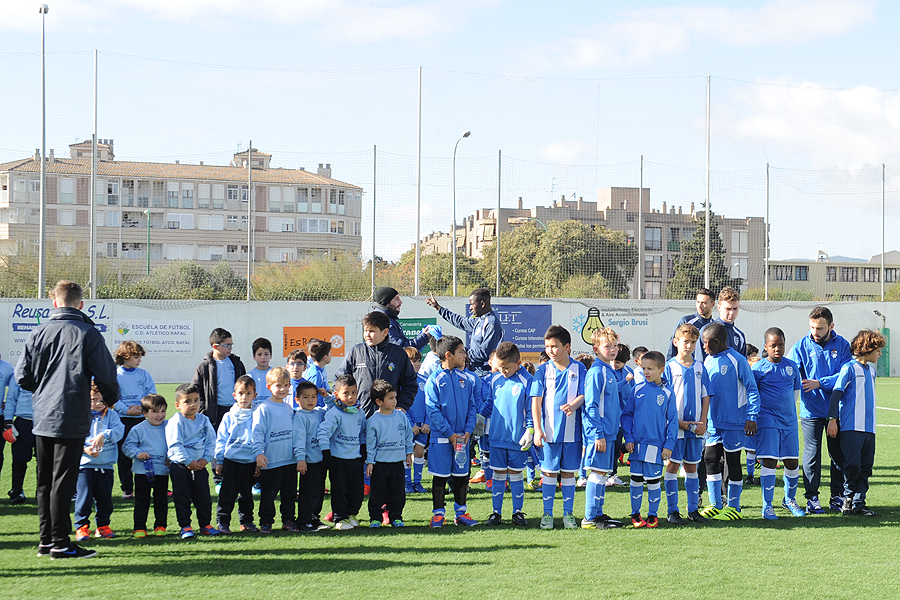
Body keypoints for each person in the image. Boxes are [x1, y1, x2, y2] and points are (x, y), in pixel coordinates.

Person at [15, 280, 119, 560]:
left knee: (45, 482)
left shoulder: (38, 332)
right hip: (71, 415)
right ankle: (60, 543)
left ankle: (46, 541)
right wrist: (111, 398)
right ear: (81, 304)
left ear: (54, 302)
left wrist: (44, 389)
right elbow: (106, 375)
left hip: (42, 415)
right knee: (62, 481)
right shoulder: (88, 333)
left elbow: (22, 376)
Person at [787, 306, 853, 514]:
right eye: (812, 327)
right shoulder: (800, 346)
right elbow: (790, 371)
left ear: (831, 326)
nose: (815, 332)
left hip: (837, 410)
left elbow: (845, 374)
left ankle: (837, 495)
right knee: (812, 454)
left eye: (820, 328)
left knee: (838, 454)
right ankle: (812, 498)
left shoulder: (843, 345)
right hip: (811, 410)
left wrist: (820, 383)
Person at [700, 323, 759, 521]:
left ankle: (734, 506)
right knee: (710, 459)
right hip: (712, 422)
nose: (703, 347)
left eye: (706, 343)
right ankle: (716, 504)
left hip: (734, 421)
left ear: (716, 342)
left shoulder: (737, 360)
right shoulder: (708, 360)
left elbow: (752, 389)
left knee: (732, 461)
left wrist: (752, 417)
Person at [531, 325, 586, 530]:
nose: (550, 351)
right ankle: (547, 514)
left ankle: (568, 514)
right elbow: (536, 401)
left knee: (569, 474)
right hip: (549, 433)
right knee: (549, 473)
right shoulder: (542, 370)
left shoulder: (579, 369)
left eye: (554, 346)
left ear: (567, 347)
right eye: (547, 346)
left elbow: (583, 394)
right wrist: (538, 429)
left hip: (572, 434)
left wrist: (573, 405)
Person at [828, 329, 885, 517]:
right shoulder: (849, 369)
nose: (880, 354)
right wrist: (832, 419)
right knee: (852, 464)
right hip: (852, 427)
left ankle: (860, 503)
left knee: (866, 466)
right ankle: (847, 498)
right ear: (868, 349)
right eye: (878, 350)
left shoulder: (872, 372)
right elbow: (836, 394)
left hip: (869, 428)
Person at [425, 335, 478, 527]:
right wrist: (449, 434)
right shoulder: (434, 380)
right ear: (448, 355)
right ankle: (438, 514)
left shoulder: (465, 379)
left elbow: (472, 406)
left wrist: (468, 430)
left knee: (461, 476)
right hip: (442, 439)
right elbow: (433, 411)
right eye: (461, 352)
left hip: (462, 438)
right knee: (440, 476)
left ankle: (461, 513)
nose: (465, 355)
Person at [752, 328, 805, 520]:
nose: (777, 349)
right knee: (770, 461)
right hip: (767, 421)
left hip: (789, 421)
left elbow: (795, 392)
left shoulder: (791, 366)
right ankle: (767, 505)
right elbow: (753, 394)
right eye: (773, 345)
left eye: (781, 345)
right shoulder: (758, 369)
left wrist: (786, 410)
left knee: (792, 461)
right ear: (765, 346)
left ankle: (789, 499)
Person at [622, 351, 678, 528]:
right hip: (636, 445)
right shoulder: (637, 389)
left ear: (661, 369)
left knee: (653, 481)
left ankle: (653, 514)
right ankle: (635, 513)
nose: (646, 372)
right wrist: (628, 437)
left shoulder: (667, 392)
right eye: (643, 368)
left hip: (656, 445)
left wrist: (669, 445)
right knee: (636, 480)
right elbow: (627, 416)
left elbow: (673, 421)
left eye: (650, 369)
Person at [480, 342, 533, 527]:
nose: (502, 371)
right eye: (500, 366)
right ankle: (496, 512)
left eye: (506, 368)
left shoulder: (527, 380)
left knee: (516, 474)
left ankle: (517, 512)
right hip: (496, 437)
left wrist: (530, 430)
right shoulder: (495, 379)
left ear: (518, 363)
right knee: (498, 474)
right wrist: (481, 417)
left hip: (517, 439)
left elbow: (531, 409)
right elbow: (490, 403)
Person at [663, 323, 711, 525]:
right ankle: (672, 511)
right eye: (685, 341)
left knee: (692, 467)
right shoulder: (668, 367)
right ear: (676, 342)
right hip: (675, 428)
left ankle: (693, 509)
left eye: (693, 342)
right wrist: (678, 423)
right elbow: (664, 399)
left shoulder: (700, 367)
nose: (689, 346)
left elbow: (706, 396)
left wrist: (703, 421)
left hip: (695, 428)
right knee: (673, 466)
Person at [580, 328, 625, 529]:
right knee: (597, 473)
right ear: (596, 349)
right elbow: (591, 405)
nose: (613, 349)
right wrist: (598, 434)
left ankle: (598, 514)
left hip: (609, 433)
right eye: (608, 346)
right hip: (600, 434)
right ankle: (589, 518)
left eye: (615, 345)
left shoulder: (609, 370)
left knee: (603, 474)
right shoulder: (596, 372)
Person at [335, 311, 418, 417]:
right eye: (365, 330)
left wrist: (402, 406)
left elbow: (410, 384)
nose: (367, 335)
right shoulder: (356, 352)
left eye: (371, 331)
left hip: (388, 416)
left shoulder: (398, 353)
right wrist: (344, 405)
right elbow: (340, 380)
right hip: (359, 416)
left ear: (385, 332)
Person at [165, 383, 221, 539]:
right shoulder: (175, 422)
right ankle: (185, 526)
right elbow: (175, 445)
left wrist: (206, 459)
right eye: (187, 401)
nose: (193, 404)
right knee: (182, 498)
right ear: (178, 405)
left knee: (203, 497)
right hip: (181, 467)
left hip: (200, 466)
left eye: (196, 400)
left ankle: (205, 525)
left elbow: (211, 441)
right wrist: (188, 461)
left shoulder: (203, 420)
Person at [74, 382, 124, 541]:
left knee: (105, 499)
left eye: (102, 400)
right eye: (93, 399)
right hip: (85, 466)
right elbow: (74, 436)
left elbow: (119, 432)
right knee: (84, 499)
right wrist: (85, 449)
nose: (97, 403)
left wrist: (105, 434)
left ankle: (103, 526)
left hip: (106, 466)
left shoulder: (112, 415)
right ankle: (82, 527)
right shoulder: (80, 415)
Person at [318, 374, 367, 530]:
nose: (351, 397)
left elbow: (363, 431)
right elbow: (323, 433)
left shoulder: (359, 412)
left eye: (354, 392)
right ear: (336, 394)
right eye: (346, 393)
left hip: (355, 458)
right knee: (340, 491)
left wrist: (363, 447)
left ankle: (351, 514)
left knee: (357, 491)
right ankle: (339, 518)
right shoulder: (334, 413)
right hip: (338, 460)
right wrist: (326, 452)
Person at [252, 367, 298, 533]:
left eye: (286, 385)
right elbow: (257, 433)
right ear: (269, 386)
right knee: (269, 494)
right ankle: (266, 522)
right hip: (271, 461)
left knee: (289, 494)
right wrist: (259, 453)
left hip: (289, 460)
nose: (283, 389)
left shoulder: (288, 408)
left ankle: (288, 520)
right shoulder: (263, 408)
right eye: (278, 385)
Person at [191, 328, 247, 457]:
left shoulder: (237, 364)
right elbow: (196, 391)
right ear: (215, 346)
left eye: (231, 344)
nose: (230, 348)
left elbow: (244, 385)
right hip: (215, 413)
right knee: (216, 446)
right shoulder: (204, 367)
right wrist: (204, 410)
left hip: (235, 410)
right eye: (227, 345)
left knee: (235, 443)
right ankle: (217, 469)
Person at [366, 380, 414, 528]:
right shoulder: (373, 420)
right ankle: (375, 518)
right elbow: (370, 444)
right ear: (379, 401)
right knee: (377, 492)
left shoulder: (401, 417)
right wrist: (370, 462)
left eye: (395, 397)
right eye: (391, 398)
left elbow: (408, 435)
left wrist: (408, 453)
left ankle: (396, 517)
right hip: (380, 464)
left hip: (397, 463)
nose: (394, 401)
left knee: (397, 492)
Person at [215, 376, 259, 534]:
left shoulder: (258, 415)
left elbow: (261, 438)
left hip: (250, 461)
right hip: (232, 461)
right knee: (227, 494)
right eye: (240, 393)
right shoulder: (229, 416)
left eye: (248, 393)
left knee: (247, 495)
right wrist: (219, 461)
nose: (244, 397)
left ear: (254, 395)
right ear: (234, 395)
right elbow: (221, 439)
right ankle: (223, 522)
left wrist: (259, 460)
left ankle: (246, 521)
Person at [426, 287, 504, 377]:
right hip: (475, 373)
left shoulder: (491, 323)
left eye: (472, 304)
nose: (470, 308)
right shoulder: (479, 321)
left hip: (485, 375)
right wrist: (439, 308)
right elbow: (460, 321)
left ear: (482, 304)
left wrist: (461, 351)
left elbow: (485, 354)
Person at [113, 340, 157, 499]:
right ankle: (127, 489)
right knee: (124, 456)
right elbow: (112, 397)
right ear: (125, 356)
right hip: (123, 421)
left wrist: (144, 408)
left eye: (140, 357)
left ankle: (153, 485)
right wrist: (126, 410)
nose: (139, 360)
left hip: (142, 420)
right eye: (136, 357)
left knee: (148, 453)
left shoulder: (143, 374)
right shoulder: (115, 375)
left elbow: (151, 394)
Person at [122, 393, 170, 538]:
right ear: (145, 413)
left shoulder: (169, 426)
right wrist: (138, 453)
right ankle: (139, 527)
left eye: (163, 411)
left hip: (162, 471)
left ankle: (160, 526)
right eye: (155, 411)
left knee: (161, 500)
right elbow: (127, 446)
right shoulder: (138, 429)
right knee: (142, 500)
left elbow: (177, 442)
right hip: (142, 472)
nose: (160, 415)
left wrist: (172, 456)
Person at [293, 380, 329, 532]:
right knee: (308, 493)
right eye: (306, 397)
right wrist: (301, 459)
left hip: (320, 461)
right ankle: (303, 521)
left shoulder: (319, 412)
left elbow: (332, 407)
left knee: (319, 492)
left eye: (314, 397)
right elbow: (299, 440)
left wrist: (326, 396)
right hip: (308, 462)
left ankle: (314, 518)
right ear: (297, 399)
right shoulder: (300, 417)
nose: (310, 400)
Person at [403, 347, 430, 494]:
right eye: (413, 361)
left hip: (422, 425)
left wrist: (427, 422)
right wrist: (410, 424)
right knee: (407, 453)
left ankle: (417, 483)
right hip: (408, 426)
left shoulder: (425, 381)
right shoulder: (401, 382)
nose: (417, 364)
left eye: (419, 360)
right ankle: (407, 483)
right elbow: (400, 406)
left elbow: (430, 404)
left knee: (419, 452)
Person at [5, 379, 35, 505]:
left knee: (45, 460)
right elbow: (11, 399)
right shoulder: (18, 376)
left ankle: (43, 491)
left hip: (45, 421)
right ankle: (16, 491)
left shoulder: (49, 372)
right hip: (23, 421)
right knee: (19, 460)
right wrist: (8, 421)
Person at [667, 288, 716, 361]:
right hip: (686, 365)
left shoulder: (714, 326)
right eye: (698, 302)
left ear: (713, 304)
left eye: (704, 303)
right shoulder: (686, 321)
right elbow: (673, 347)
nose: (700, 305)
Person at [712, 286, 747, 356]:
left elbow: (742, 361)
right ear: (719, 308)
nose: (732, 312)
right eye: (728, 309)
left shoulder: (739, 335)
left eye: (735, 308)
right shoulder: (708, 332)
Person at [303, 338, 333, 408]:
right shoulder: (316, 374)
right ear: (325, 357)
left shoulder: (318, 371)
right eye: (330, 353)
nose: (331, 355)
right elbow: (312, 395)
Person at [248, 337, 274, 407]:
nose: (263, 357)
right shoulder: (249, 377)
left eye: (266, 354)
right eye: (259, 354)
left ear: (271, 355)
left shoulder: (276, 374)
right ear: (254, 357)